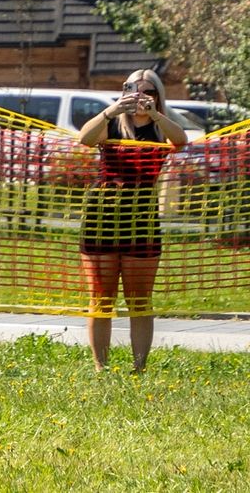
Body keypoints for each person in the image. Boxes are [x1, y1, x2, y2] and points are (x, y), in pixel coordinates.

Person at [77, 69, 187, 372]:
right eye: (134, 90)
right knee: (101, 297)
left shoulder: (160, 127)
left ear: (158, 96)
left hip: (141, 219)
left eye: (149, 91)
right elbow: (85, 138)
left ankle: (139, 368)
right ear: (124, 92)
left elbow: (181, 141)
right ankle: (101, 367)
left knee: (140, 299)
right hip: (102, 216)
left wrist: (155, 114)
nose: (141, 96)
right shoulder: (112, 123)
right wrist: (111, 110)